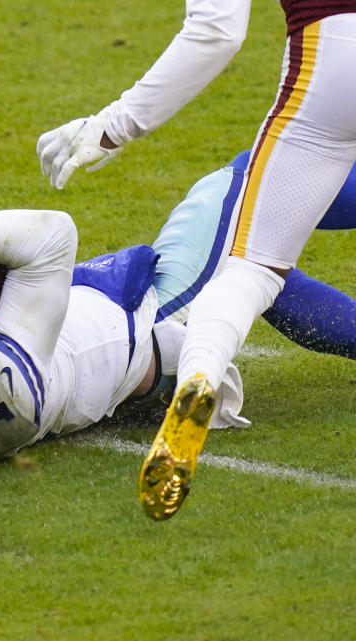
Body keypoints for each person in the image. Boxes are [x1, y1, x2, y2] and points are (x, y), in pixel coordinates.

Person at [0, 142, 356, 487]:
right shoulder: (8, 384)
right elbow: (51, 233)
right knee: (260, 178)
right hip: (145, 321)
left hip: (71, 326)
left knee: (255, 261)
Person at [35, 2, 356, 520]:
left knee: (250, 265)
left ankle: (199, 380)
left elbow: (216, 30)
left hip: (336, 56)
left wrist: (112, 125)